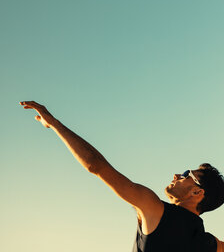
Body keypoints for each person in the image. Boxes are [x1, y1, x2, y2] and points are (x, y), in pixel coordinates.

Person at [20, 101, 224, 252]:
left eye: (187, 175)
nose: (177, 174)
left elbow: (95, 165)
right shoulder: (208, 244)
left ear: (197, 191)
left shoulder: (153, 208)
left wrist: (54, 124)